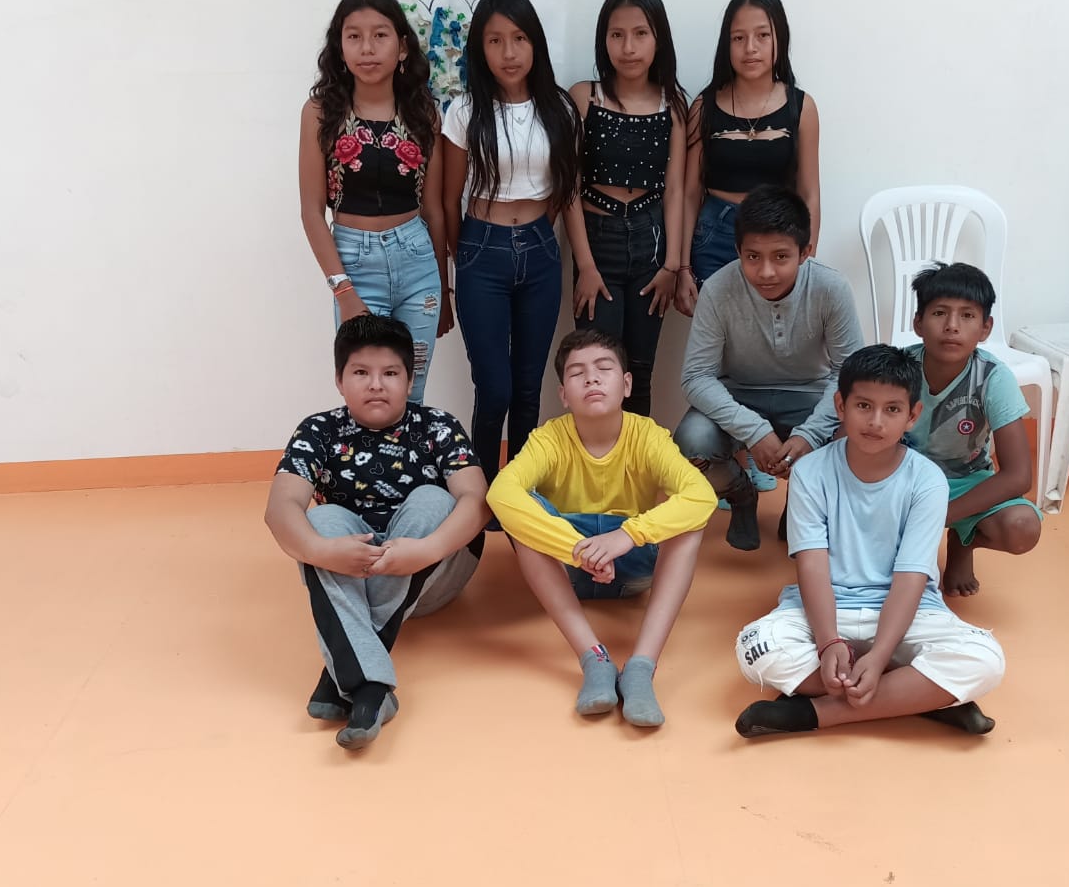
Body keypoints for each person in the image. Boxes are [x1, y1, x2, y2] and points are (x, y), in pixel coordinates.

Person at [733, 345, 1005, 740]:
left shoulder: (927, 480)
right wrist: (828, 642)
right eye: (863, 406)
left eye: (892, 409)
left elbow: (911, 575)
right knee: (754, 648)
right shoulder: (811, 471)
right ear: (840, 406)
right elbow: (812, 564)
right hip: (827, 610)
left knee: (986, 660)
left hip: (909, 613)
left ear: (912, 415)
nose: (876, 422)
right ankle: (917, 696)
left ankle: (816, 713)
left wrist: (878, 656)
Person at [263, 314, 487, 750]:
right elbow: (280, 509)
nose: (376, 385)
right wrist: (321, 551)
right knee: (321, 523)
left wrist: (426, 550)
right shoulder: (319, 430)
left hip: (432, 574)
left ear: (409, 380)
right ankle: (369, 691)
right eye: (361, 373)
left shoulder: (437, 425)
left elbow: (477, 502)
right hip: (353, 571)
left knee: (433, 499)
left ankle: (340, 674)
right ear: (339, 380)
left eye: (390, 373)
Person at [487, 329, 715, 727]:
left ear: (626, 384)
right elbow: (499, 494)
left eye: (603, 368)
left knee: (688, 517)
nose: (591, 378)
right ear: (564, 395)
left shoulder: (649, 436)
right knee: (520, 509)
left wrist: (625, 536)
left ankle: (641, 667)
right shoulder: (548, 438)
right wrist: (578, 549)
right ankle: (594, 659)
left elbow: (702, 497)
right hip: (567, 570)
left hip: (631, 565)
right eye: (577, 373)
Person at [677, 0, 821, 497]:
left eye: (762, 35)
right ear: (727, 43)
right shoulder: (704, 105)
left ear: (780, 39)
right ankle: (741, 457)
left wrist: (806, 250)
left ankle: (771, 448)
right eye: (739, 37)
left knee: (772, 341)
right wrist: (682, 265)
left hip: (779, 237)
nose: (751, 47)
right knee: (725, 353)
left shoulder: (801, 106)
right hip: (716, 232)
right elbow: (689, 191)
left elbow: (808, 187)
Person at [442, 0, 582, 488]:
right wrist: (459, 262)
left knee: (527, 388)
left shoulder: (559, 108)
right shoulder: (464, 112)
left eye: (519, 38)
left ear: (535, 43)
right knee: (494, 388)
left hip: (541, 252)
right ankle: (480, 491)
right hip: (481, 249)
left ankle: (517, 490)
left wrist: (563, 249)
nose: (508, 52)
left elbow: (565, 192)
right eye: (495, 40)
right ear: (480, 48)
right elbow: (448, 199)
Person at [674, 185, 863, 551]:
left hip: (808, 396)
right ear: (737, 251)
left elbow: (850, 373)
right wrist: (755, 431)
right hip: (739, 394)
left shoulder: (831, 288)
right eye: (752, 257)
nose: (766, 272)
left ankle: (801, 503)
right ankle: (741, 495)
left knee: (854, 434)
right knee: (691, 442)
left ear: (805, 252)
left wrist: (809, 435)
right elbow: (696, 377)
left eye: (781, 257)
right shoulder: (718, 289)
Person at [299, 0, 449, 402]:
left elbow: (434, 210)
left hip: (418, 263)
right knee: (368, 394)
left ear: (402, 47)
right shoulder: (320, 113)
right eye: (354, 36)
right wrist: (343, 292)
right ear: (339, 47)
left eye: (380, 35)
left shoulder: (423, 112)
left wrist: (444, 290)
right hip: (354, 264)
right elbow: (311, 212)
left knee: (411, 391)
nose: (367, 48)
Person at [563, 0, 690, 418]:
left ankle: (634, 457)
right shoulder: (585, 97)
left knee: (639, 369)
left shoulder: (673, 105)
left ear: (659, 39)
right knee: (596, 368)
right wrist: (585, 266)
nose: (628, 47)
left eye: (640, 34)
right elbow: (569, 189)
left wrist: (671, 266)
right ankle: (593, 456)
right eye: (617, 35)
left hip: (650, 244)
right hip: (598, 242)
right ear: (604, 40)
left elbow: (675, 189)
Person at [905, 262, 1043, 598]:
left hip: (966, 481)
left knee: (1022, 528)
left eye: (967, 316)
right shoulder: (898, 368)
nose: (952, 326)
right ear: (918, 323)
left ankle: (963, 540)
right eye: (940, 313)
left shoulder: (993, 377)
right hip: (904, 479)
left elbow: (1018, 476)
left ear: (985, 328)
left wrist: (944, 516)